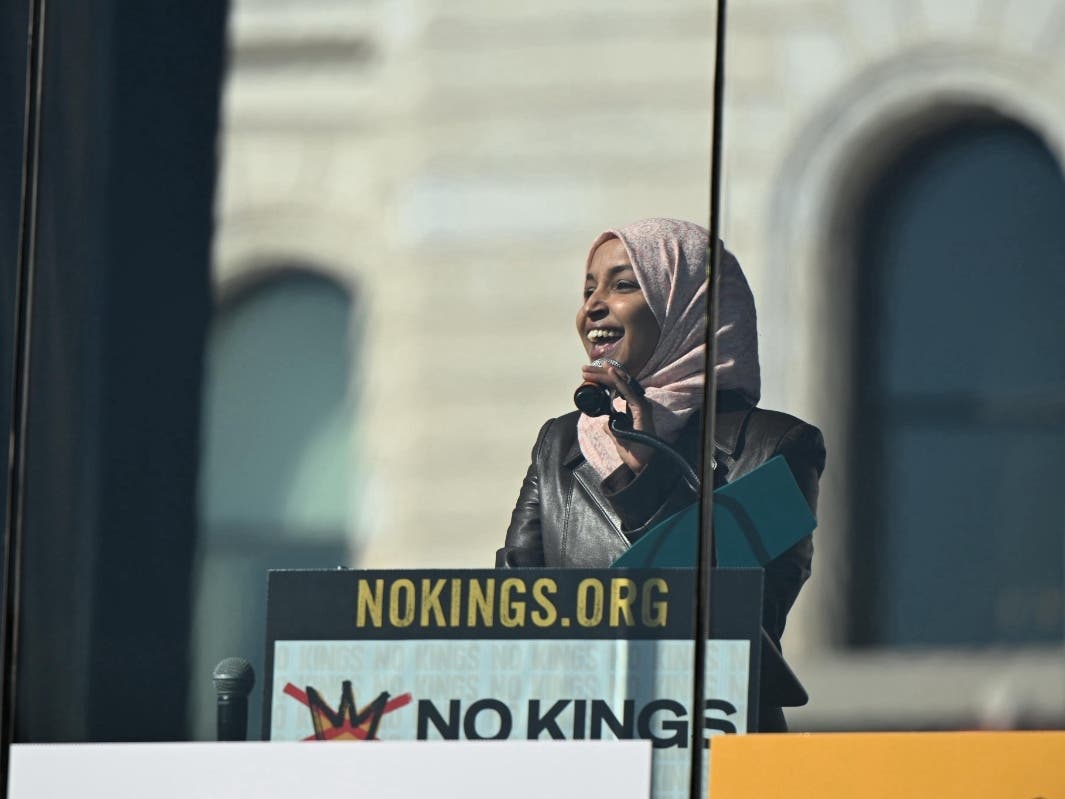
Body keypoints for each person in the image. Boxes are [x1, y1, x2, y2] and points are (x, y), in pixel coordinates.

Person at [496, 217, 826, 732]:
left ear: (688, 306)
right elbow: (510, 608)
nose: (593, 306)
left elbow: (741, 617)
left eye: (623, 285)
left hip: (705, 736)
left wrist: (643, 475)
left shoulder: (777, 446)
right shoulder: (559, 444)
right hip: (576, 731)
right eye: (588, 290)